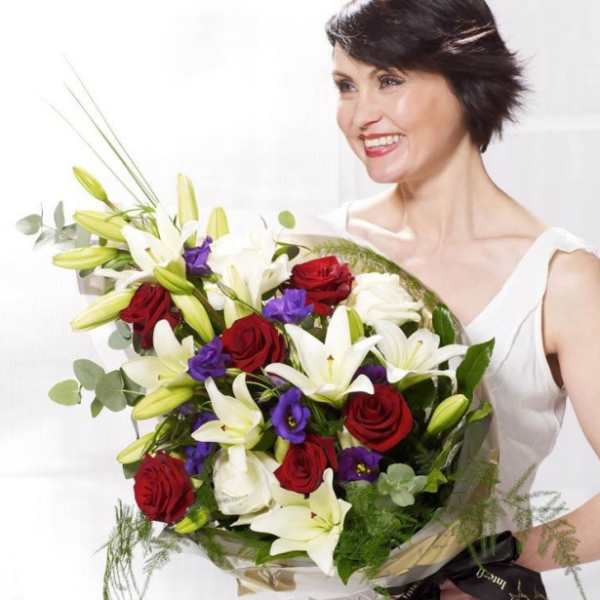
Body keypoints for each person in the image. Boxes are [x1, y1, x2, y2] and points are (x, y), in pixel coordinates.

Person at [319, 1, 600, 598]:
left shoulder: (559, 280)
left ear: (466, 79)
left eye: (389, 80)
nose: (361, 115)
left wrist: (499, 558)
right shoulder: (323, 252)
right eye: (346, 85)